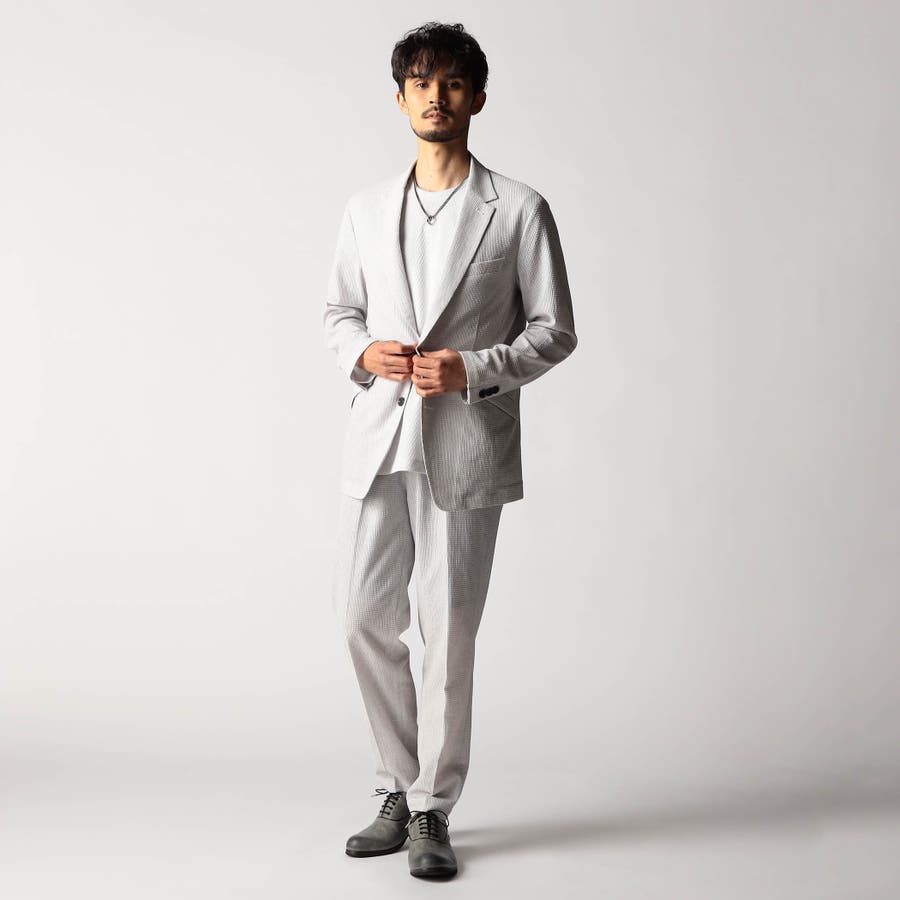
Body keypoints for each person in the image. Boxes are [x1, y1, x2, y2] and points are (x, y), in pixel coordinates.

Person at [323, 21, 577, 880]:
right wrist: (364, 352)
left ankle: (431, 806)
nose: (437, 96)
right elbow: (338, 314)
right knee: (361, 617)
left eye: (453, 83)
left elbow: (554, 329)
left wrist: (473, 368)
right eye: (422, 83)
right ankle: (397, 784)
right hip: (380, 439)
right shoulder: (365, 209)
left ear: (477, 97)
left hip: (465, 444)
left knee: (448, 629)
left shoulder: (520, 209)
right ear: (400, 98)